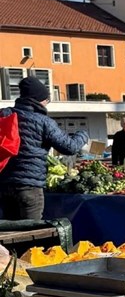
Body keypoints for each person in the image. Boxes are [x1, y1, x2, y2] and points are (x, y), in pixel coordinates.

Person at [0, 76, 88, 220]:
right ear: (39, 99)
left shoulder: (4, 114)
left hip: (4, 184)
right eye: (47, 100)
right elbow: (70, 147)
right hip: (30, 187)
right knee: (31, 233)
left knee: (9, 232)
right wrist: (82, 135)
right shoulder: (43, 121)